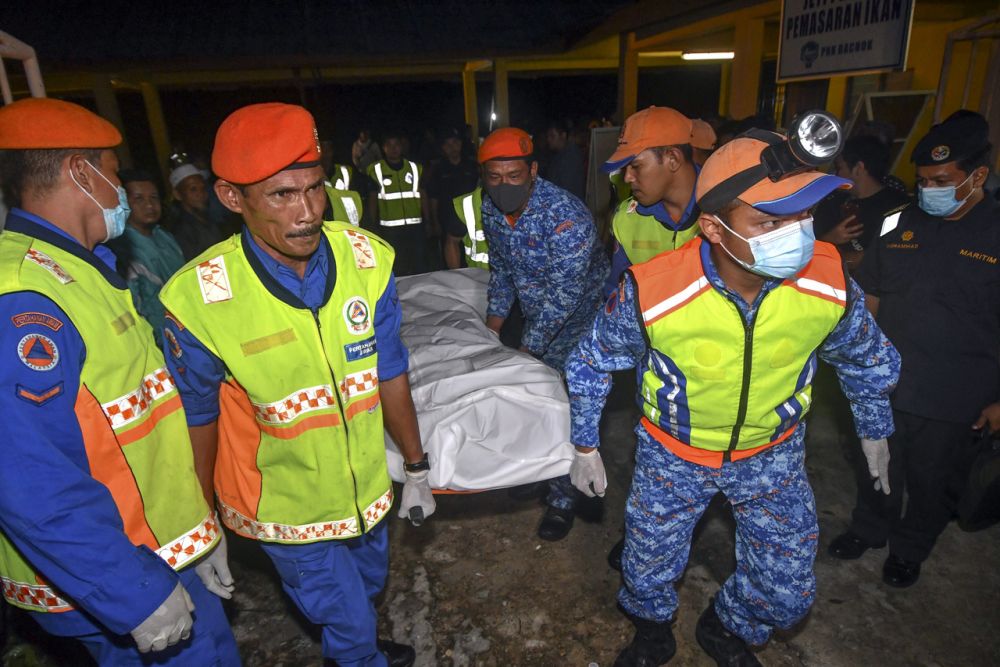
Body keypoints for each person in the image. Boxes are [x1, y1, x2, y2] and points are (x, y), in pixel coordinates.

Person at [565, 130, 900, 666]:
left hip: (772, 456)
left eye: (803, 217)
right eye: (770, 222)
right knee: (647, 564)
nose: (794, 235)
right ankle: (652, 632)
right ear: (715, 229)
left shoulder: (827, 279)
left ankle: (727, 625)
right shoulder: (654, 291)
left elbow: (865, 356)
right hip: (673, 456)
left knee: (788, 590)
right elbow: (590, 361)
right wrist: (584, 445)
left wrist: (875, 425)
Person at [158, 103, 435, 667]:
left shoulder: (367, 260)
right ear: (233, 198)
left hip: (364, 490)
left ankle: (357, 635)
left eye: (315, 187)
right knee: (349, 623)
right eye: (283, 194)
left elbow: (389, 368)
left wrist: (416, 465)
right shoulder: (198, 300)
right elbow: (197, 417)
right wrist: (201, 523)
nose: (308, 211)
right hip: (284, 507)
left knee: (368, 586)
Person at [0, 98, 239, 666]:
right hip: (112, 573)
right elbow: (27, 475)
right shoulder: (24, 298)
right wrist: (132, 592)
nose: (123, 190)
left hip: (151, 551)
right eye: (111, 172)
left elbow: (134, 423)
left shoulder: (80, 268)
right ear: (79, 173)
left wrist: (194, 534)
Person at [829, 111, 1000, 588]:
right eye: (923, 180)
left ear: (978, 176)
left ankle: (910, 548)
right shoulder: (896, 221)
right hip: (889, 380)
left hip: (956, 395)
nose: (929, 190)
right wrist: (857, 362)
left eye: (942, 180)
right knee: (875, 463)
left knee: (931, 481)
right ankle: (870, 527)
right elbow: (872, 292)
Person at [479, 126, 609, 541]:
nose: (503, 186)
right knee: (529, 399)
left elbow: (565, 295)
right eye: (494, 177)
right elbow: (502, 270)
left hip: (580, 324)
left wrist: (527, 349)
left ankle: (563, 499)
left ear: (533, 170)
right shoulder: (490, 209)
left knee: (565, 409)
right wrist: (492, 327)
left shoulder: (566, 218)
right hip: (536, 315)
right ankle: (537, 469)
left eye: (514, 176)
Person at [602, 106, 701, 299]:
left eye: (636, 166)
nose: (628, 177)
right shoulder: (627, 219)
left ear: (672, 159)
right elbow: (617, 293)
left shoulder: (727, 211)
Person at [106, 169, 185, 346]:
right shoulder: (122, 248)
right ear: (124, 202)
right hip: (158, 342)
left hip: (186, 331)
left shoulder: (165, 236)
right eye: (139, 199)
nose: (149, 205)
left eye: (154, 198)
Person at [813, 134, 910, 268]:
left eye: (840, 167)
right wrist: (828, 239)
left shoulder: (899, 207)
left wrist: (830, 254)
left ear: (858, 168)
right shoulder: (833, 200)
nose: (837, 175)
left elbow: (888, 258)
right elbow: (806, 249)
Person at [366, 132, 429, 276]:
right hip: (390, 229)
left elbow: (423, 194)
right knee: (397, 266)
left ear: (402, 147)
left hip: (415, 226)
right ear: (384, 148)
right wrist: (372, 224)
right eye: (390, 145)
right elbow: (372, 199)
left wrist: (429, 220)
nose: (394, 148)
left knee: (418, 264)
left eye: (397, 145)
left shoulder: (414, 168)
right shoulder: (375, 170)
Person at [427, 128, 481, 270]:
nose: (453, 148)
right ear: (443, 148)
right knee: (451, 264)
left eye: (456, 143)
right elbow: (433, 198)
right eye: (448, 145)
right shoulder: (438, 169)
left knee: (472, 256)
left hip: (469, 221)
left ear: (461, 144)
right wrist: (435, 222)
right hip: (447, 220)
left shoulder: (472, 165)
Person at [166, 163, 226, 260]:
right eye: (193, 189)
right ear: (177, 194)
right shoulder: (182, 231)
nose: (200, 193)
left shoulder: (206, 218)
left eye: (203, 188)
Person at [445, 186, 488, 270]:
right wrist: (456, 278)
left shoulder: (520, 203)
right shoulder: (467, 204)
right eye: (494, 176)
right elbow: (452, 241)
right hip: (477, 279)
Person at [543, 119, 586, 200]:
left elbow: (567, 189)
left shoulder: (570, 156)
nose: (549, 139)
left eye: (552, 136)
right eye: (548, 136)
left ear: (563, 135)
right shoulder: (557, 155)